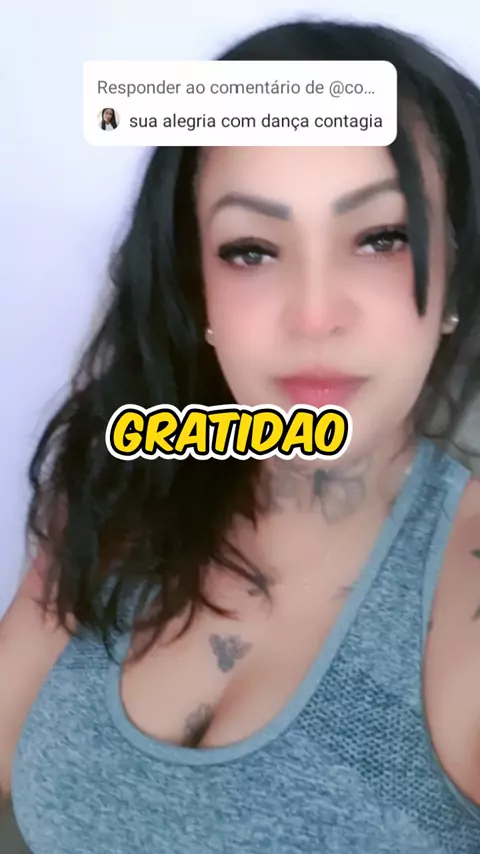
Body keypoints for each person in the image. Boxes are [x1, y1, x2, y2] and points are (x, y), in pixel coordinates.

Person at [2, 16, 480, 854]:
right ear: (199, 293)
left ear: (455, 276)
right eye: (252, 250)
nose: (314, 316)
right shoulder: (117, 487)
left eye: (382, 238)